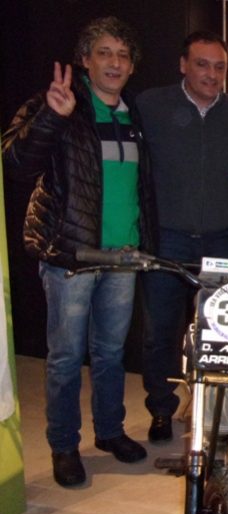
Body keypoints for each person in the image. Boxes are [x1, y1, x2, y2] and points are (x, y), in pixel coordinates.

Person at [2, 16, 155, 486]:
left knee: (110, 353)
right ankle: (64, 445)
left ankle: (109, 431)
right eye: (104, 53)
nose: (115, 62)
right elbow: (14, 163)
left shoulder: (135, 116)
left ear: (132, 66)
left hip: (122, 256)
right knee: (66, 357)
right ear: (85, 60)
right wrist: (52, 117)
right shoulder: (61, 105)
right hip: (70, 255)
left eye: (123, 55)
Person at [136, 31, 228, 443]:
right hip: (166, 238)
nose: (211, 74)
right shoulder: (150, 105)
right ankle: (162, 409)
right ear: (183, 65)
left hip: (220, 239)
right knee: (160, 331)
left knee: (220, 332)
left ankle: (213, 412)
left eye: (219, 67)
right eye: (202, 64)